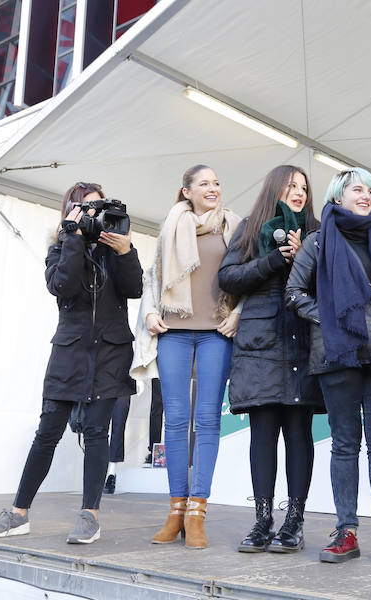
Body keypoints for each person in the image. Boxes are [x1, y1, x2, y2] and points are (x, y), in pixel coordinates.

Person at [0, 182, 143, 544]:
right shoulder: (59, 249)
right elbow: (63, 286)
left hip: (111, 353)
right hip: (69, 355)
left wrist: (125, 251)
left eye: (98, 206)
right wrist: (72, 237)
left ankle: (90, 516)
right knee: (47, 434)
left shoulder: (115, 246)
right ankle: (19, 513)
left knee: (98, 435)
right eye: (87, 207)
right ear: (70, 211)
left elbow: (134, 289)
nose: (94, 214)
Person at [285, 167, 371, 568]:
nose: (366, 196)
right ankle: (346, 531)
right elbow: (294, 293)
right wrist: (332, 322)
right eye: (357, 190)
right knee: (345, 444)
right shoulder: (317, 241)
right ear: (337, 197)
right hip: (339, 355)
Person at [132, 164, 242, 549]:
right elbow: (152, 278)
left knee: (208, 419)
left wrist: (239, 314)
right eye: (204, 183)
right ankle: (176, 508)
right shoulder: (170, 226)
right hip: (174, 331)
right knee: (176, 421)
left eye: (216, 182)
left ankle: (198, 510)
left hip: (216, 332)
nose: (213, 188)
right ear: (186, 191)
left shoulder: (233, 225)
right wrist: (148, 312)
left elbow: (249, 276)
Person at [219, 165, 324, 553]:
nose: (298, 192)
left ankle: (294, 520)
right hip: (260, 344)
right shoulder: (251, 226)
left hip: (302, 341)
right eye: (291, 185)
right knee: (263, 433)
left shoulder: (316, 228)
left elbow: (329, 283)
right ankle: (262, 520)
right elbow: (227, 278)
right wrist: (272, 261)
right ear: (274, 189)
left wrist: (303, 260)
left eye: (303, 187)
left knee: (299, 433)